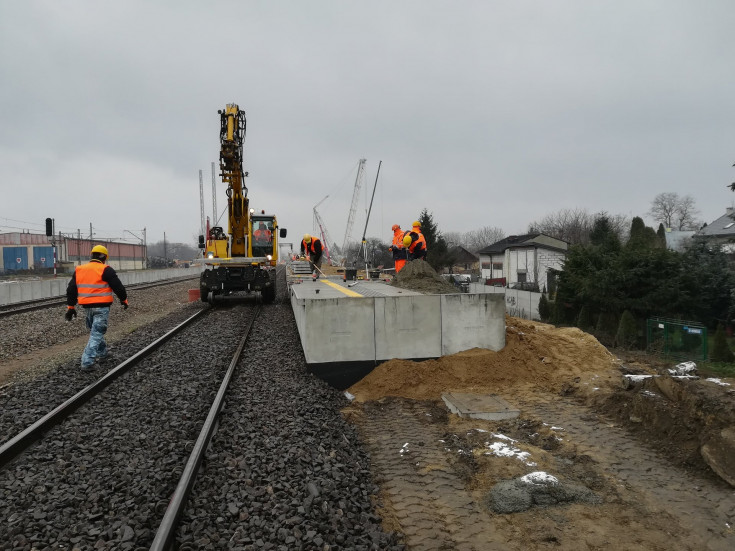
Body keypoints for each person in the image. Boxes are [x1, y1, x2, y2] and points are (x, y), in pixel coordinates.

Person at [66, 245, 128, 372]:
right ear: (104, 257)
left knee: (95, 332)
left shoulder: (79, 270)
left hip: (87, 308)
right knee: (97, 333)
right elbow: (118, 287)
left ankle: (103, 353)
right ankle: (87, 362)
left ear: (92, 255)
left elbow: (71, 289)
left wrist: (71, 307)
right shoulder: (106, 269)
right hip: (101, 307)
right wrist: (124, 300)